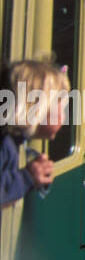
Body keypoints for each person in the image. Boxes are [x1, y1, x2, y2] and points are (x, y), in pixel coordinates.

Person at [1, 60, 70, 208]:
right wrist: (27, 177)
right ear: (39, 108)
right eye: (62, 107)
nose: (65, 117)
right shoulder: (5, 144)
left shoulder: (12, 142)